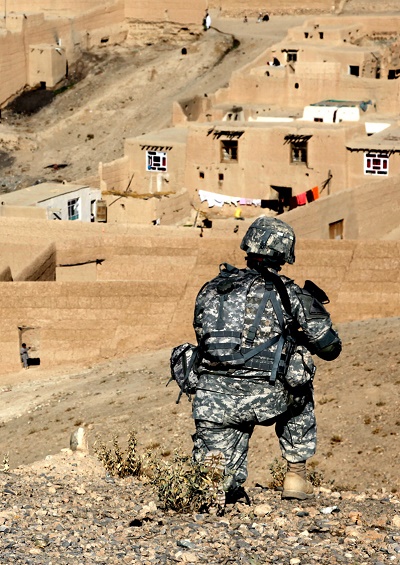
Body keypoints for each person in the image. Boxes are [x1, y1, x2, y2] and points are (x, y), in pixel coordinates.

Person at [191, 216, 341, 511]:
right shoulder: (290, 292)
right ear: (284, 253)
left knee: (218, 474)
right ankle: (296, 475)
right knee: (300, 388)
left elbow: (201, 337)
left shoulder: (211, 288)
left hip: (212, 399)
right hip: (267, 396)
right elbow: (329, 348)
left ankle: (217, 480)